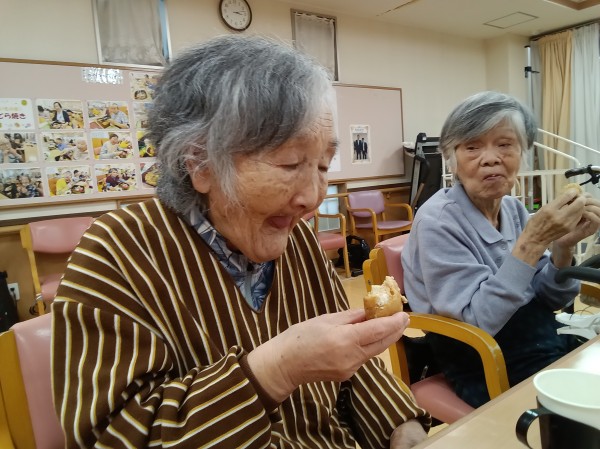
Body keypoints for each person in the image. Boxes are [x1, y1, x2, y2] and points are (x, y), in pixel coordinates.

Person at [52, 35, 430, 449]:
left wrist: (402, 426)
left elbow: (351, 363)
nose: (312, 197)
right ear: (200, 163)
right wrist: (277, 370)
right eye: (289, 163)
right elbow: (111, 436)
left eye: (323, 165)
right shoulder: (117, 251)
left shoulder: (299, 241)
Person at [401, 91, 600, 408]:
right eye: (472, 147)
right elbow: (477, 322)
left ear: (523, 154)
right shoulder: (437, 221)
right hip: (480, 358)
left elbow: (552, 299)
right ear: (452, 159)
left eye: (505, 144)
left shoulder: (513, 209)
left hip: (538, 337)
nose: (491, 158)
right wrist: (532, 242)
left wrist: (563, 246)